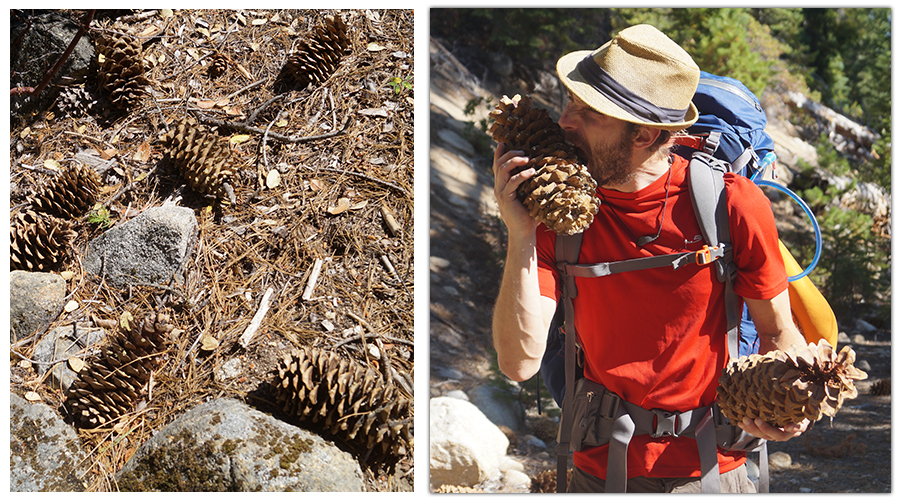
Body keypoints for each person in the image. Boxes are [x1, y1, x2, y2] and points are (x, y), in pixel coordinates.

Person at [490, 24, 809, 493]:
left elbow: (778, 330)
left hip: (713, 469)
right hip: (598, 471)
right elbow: (519, 364)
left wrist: (792, 403)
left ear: (644, 134)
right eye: (571, 101)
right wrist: (520, 234)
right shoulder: (557, 215)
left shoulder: (729, 205)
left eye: (589, 112)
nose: (565, 122)